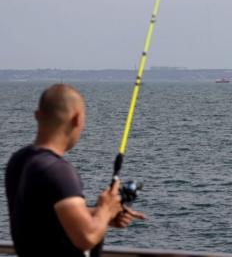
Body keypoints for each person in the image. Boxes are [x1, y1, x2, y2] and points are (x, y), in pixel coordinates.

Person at [5, 84, 145, 256]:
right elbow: (86, 237)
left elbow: (46, 217)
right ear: (77, 119)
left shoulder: (19, 160)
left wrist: (103, 216)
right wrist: (106, 209)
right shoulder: (58, 171)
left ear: (37, 116)